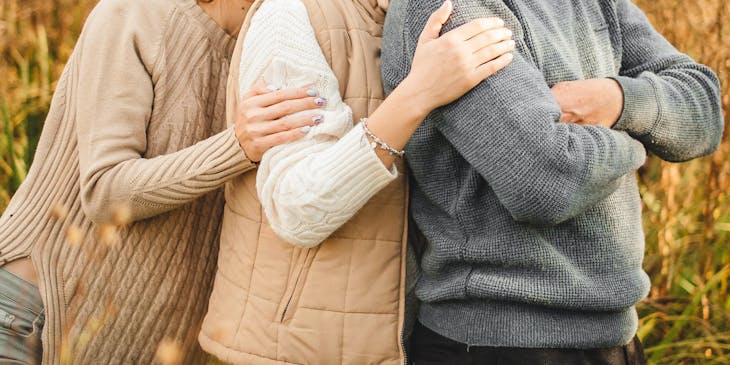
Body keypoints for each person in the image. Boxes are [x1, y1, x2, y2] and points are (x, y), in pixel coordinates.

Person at [381, 0, 724, 364]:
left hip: (618, 337)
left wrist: (617, 100)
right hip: (495, 343)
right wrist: (639, 140)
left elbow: (704, 110)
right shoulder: (448, 8)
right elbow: (544, 183)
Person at [0, 0, 328, 363]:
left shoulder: (272, 46)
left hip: (142, 346)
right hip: (32, 322)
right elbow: (104, 190)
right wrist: (236, 146)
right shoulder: (135, 13)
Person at [198, 0, 515, 364]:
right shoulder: (290, 15)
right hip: (288, 351)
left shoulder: (424, 18)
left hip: (406, 343)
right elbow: (297, 208)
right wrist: (420, 93)